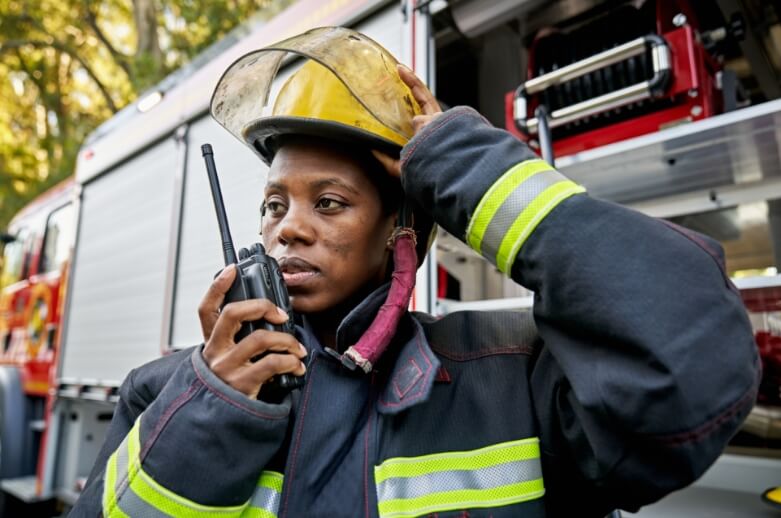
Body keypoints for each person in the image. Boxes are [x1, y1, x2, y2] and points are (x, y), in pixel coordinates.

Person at [71, 27, 759, 518]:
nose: (289, 227)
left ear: (402, 234)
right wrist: (212, 409)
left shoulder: (512, 379)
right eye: (273, 205)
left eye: (330, 203)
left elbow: (687, 360)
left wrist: (467, 171)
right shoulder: (165, 392)